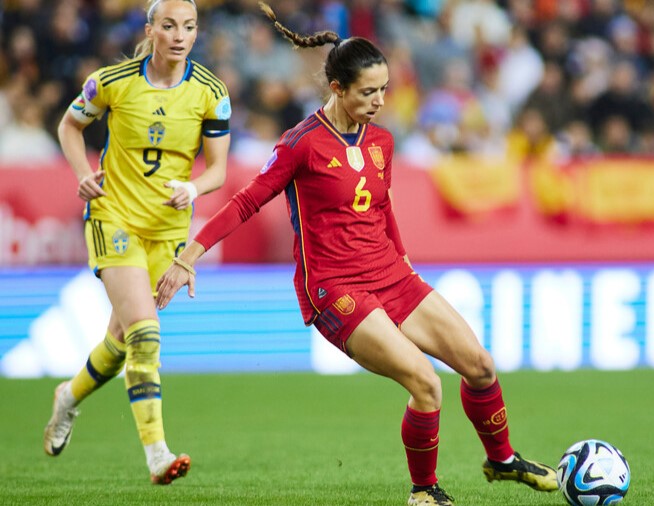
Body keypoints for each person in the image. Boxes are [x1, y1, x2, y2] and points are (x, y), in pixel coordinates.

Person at [155, 3, 556, 505]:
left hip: (391, 275)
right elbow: (246, 201)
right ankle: (424, 491)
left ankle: (502, 460)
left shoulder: (382, 141)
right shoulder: (300, 144)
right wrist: (188, 257)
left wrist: (404, 262)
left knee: (480, 366)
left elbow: (383, 207)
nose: (380, 101)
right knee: (426, 384)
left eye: (384, 89)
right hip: (335, 288)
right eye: (368, 92)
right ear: (337, 88)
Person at [44, 0, 231, 486]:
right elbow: (69, 125)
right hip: (114, 217)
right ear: (150, 30)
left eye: (188, 27)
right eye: (169, 26)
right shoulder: (111, 81)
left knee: (120, 340)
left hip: (167, 232)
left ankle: (68, 397)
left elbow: (218, 170)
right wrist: (83, 174)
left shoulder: (211, 92)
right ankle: (157, 454)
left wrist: (193, 188)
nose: (180, 35)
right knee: (145, 334)